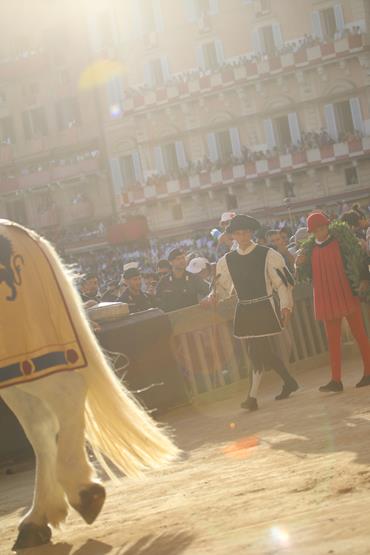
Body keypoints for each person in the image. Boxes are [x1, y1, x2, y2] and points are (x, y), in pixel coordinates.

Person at [207, 214, 298, 411]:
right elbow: (222, 288)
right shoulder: (227, 260)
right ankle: (289, 381)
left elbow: (282, 284)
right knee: (261, 351)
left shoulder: (267, 254)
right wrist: (214, 296)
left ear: (251, 232)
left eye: (246, 232)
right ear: (233, 236)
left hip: (264, 307)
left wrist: (286, 305)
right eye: (238, 233)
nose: (243, 236)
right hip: (245, 310)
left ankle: (252, 397)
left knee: (255, 351)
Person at [296, 211, 370, 391]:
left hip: (345, 293)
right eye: (317, 229)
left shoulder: (342, 243)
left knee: (359, 334)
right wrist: (298, 263)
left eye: (323, 227)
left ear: (327, 226)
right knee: (333, 340)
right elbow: (302, 275)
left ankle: (368, 371)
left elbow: (358, 261)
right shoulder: (309, 250)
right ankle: (336, 380)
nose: (321, 231)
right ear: (312, 232)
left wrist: (363, 279)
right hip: (326, 297)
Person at [156, 248, 208, 312]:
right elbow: (158, 302)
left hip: (192, 316)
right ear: (170, 262)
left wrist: (205, 299)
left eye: (183, 258)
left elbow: (208, 291)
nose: (182, 261)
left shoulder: (193, 278)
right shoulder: (164, 282)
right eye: (178, 259)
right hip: (173, 319)